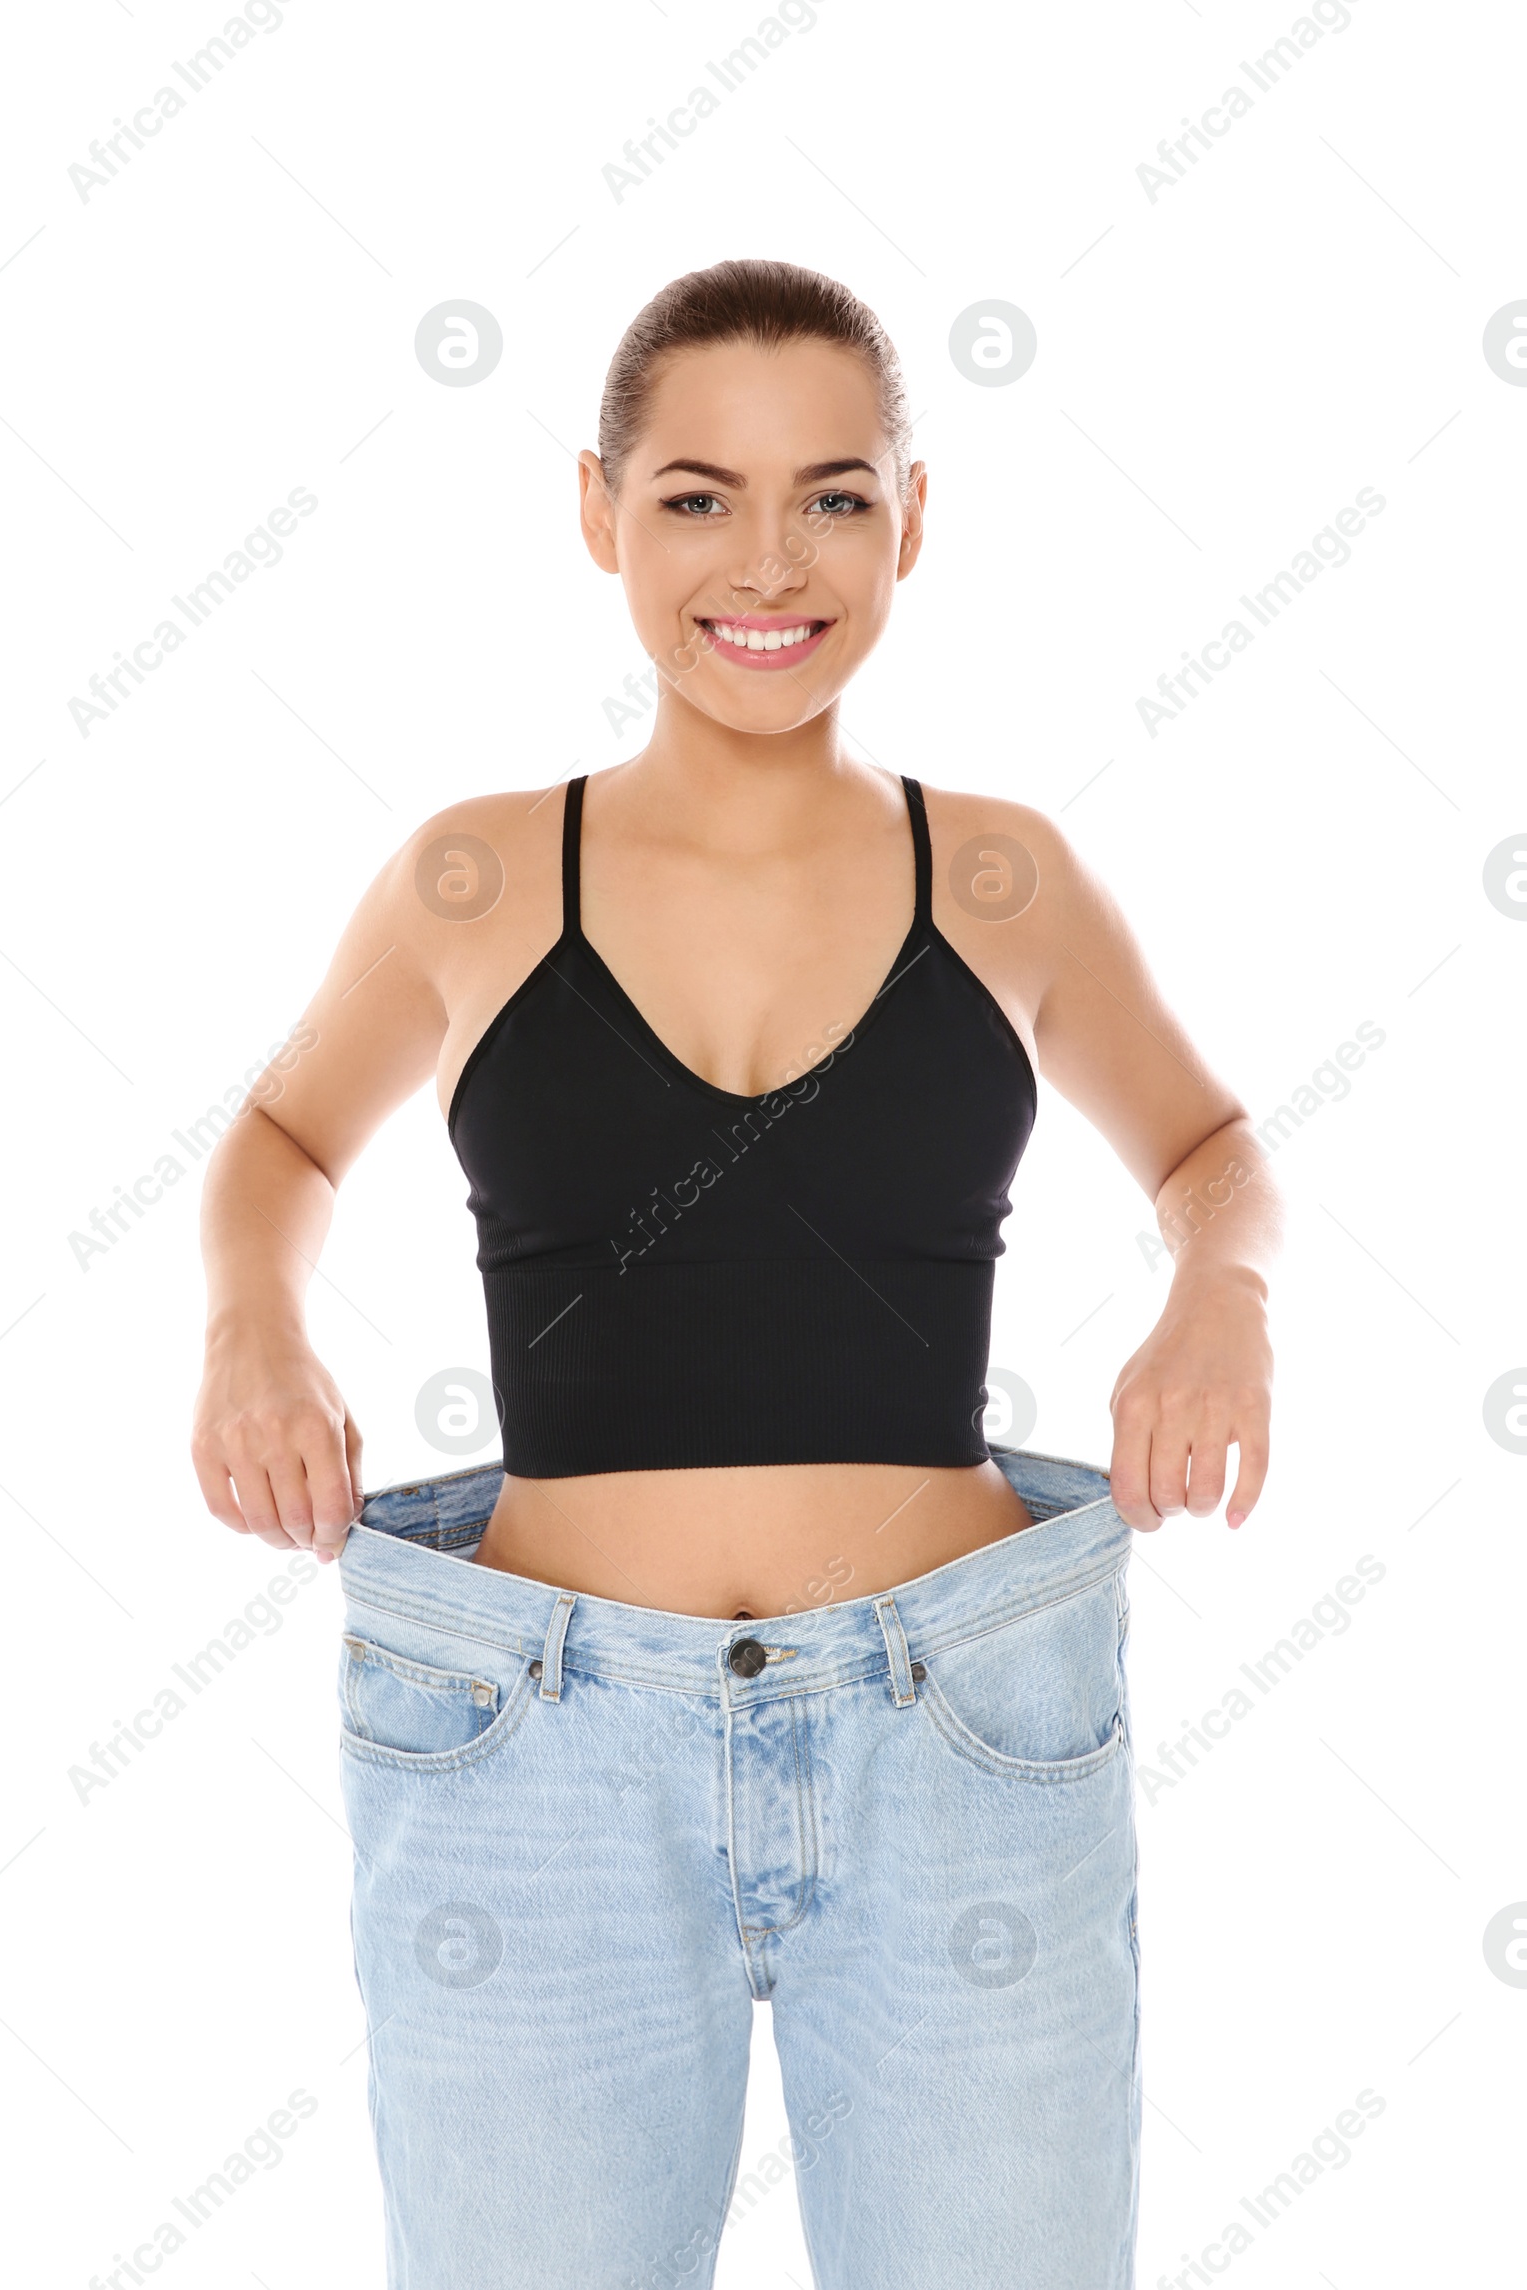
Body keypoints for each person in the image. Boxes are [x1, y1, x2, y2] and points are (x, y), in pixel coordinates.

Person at [192, 258, 1279, 2289]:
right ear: (596, 509)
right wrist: (252, 1323)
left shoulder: (1001, 872)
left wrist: (1217, 1293)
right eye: (696, 495)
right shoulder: (479, 870)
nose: (765, 560)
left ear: (911, 517)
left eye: (833, 495)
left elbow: (1214, 1152)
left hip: (961, 1725)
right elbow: (275, 1140)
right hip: (533, 1750)